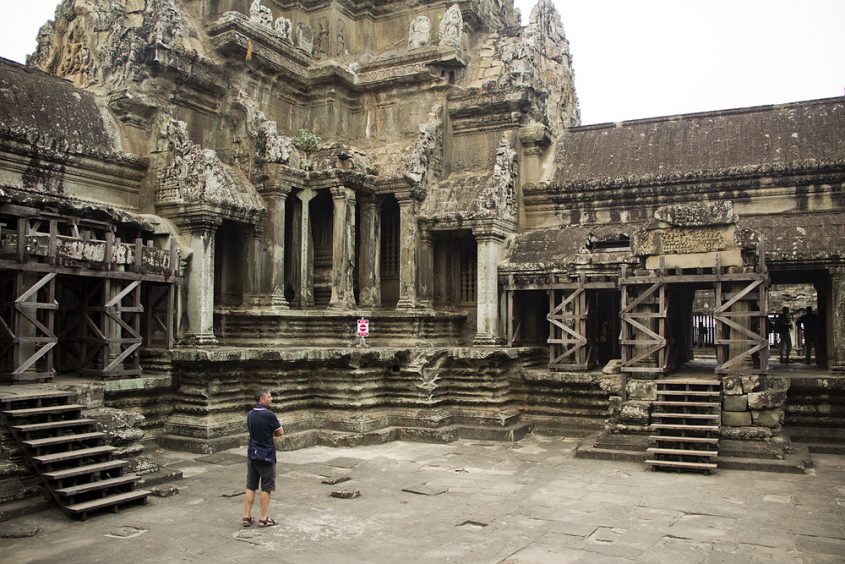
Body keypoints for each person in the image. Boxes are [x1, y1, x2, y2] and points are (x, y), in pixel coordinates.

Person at [243, 387, 284, 528]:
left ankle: (247, 517)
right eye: (269, 396)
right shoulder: (269, 415)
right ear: (262, 399)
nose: (271, 398)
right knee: (266, 487)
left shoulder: (250, 414)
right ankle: (263, 518)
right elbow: (280, 433)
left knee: (251, 486)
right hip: (265, 455)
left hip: (252, 453)